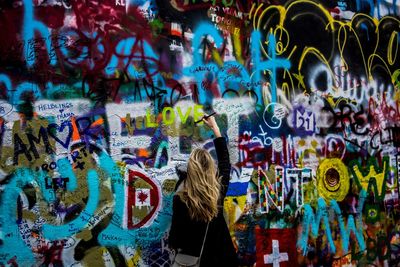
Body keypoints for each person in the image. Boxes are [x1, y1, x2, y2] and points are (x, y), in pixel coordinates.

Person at [168, 114, 238, 267]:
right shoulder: (217, 193)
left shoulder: (180, 200)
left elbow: (174, 239)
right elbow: (225, 164)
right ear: (210, 169)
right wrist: (215, 128)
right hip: (223, 259)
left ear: (190, 172)